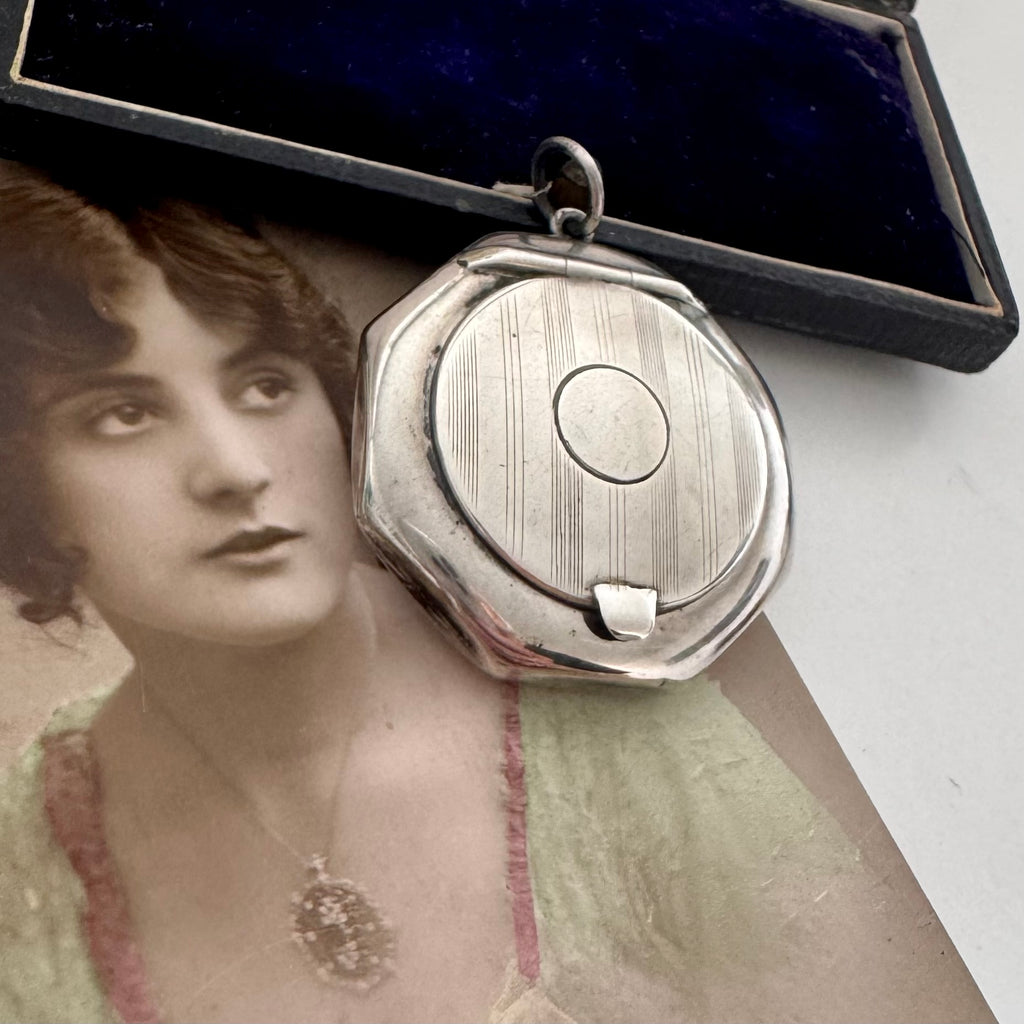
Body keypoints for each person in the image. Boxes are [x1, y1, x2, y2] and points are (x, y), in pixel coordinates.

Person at [0, 160, 992, 1024]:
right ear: (21, 480)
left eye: (264, 385)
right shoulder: (25, 868)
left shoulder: (620, 736)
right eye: (124, 413)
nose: (232, 468)